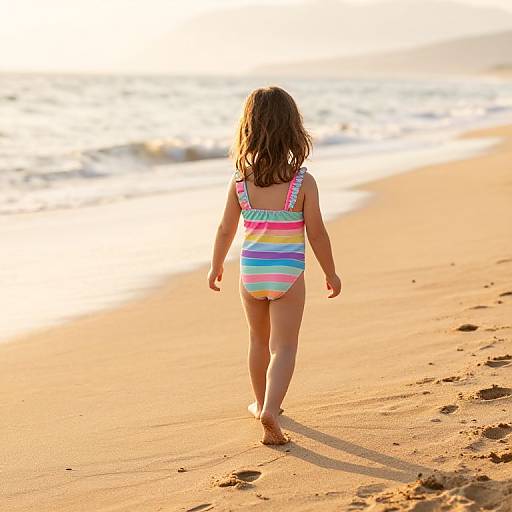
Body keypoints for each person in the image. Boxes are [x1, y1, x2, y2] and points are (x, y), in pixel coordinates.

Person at [208, 86, 342, 445]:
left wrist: (216, 265)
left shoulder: (240, 180)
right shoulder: (302, 182)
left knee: (257, 340)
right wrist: (330, 272)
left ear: (247, 129)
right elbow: (317, 233)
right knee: (284, 347)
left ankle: (259, 403)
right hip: (287, 274)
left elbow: (225, 229)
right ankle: (272, 407)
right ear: (293, 130)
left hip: (251, 273)